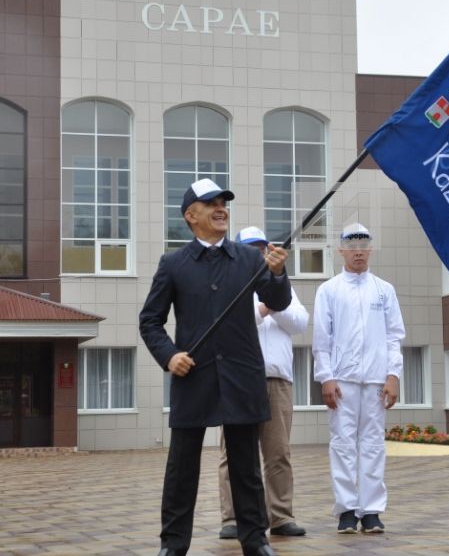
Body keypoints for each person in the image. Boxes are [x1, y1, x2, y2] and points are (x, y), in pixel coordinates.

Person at [139, 179, 292, 556]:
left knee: (245, 467)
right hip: (194, 376)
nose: (220, 208)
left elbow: (278, 300)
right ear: (191, 216)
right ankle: (172, 545)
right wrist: (169, 355)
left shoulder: (249, 258)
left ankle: (255, 540)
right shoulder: (173, 264)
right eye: (210, 203)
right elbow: (150, 320)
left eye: (223, 202)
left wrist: (276, 272)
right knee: (181, 468)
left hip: (241, 376)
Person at [312, 223, 405, 535]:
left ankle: (372, 511)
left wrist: (393, 375)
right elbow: (321, 340)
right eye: (352, 247)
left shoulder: (384, 290)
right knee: (342, 444)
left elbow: (394, 337)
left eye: (364, 247)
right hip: (342, 381)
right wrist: (326, 377)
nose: (358, 252)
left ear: (370, 250)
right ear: (341, 250)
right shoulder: (329, 290)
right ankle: (347, 510)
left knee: (373, 444)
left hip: (377, 382)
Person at [218, 226, 309, 540]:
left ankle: (281, 517)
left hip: (277, 380)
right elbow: (228, 321)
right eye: (249, 248)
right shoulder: (229, 281)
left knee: (279, 453)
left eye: (260, 247)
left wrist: (272, 302)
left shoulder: (282, 282)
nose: (256, 254)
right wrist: (266, 307)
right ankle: (232, 519)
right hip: (238, 381)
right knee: (233, 453)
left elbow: (299, 322)